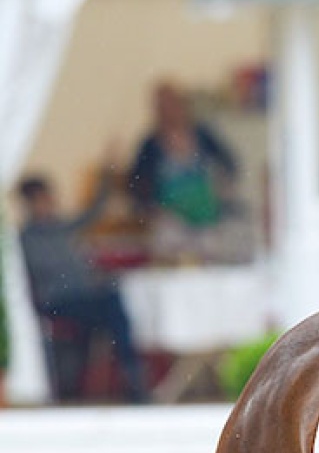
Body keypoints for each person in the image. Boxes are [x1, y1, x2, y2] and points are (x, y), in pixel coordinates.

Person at [17, 169, 148, 403]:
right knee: (112, 310)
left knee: (112, 302)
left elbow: (92, 213)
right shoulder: (27, 239)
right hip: (58, 302)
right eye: (43, 199)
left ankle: (131, 378)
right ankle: (133, 378)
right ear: (31, 203)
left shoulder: (60, 227)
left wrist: (105, 177)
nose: (49, 203)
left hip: (81, 298)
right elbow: (50, 274)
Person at [127, 79, 245, 264]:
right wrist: (150, 209)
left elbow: (229, 164)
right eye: (162, 107)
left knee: (215, 255)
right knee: (168, 254)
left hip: (207, 218)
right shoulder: (149, 145)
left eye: (172, 104)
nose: (169, 111)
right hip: (171, 221)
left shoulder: (202, 135)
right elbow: (135, 184)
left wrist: (223, 187)